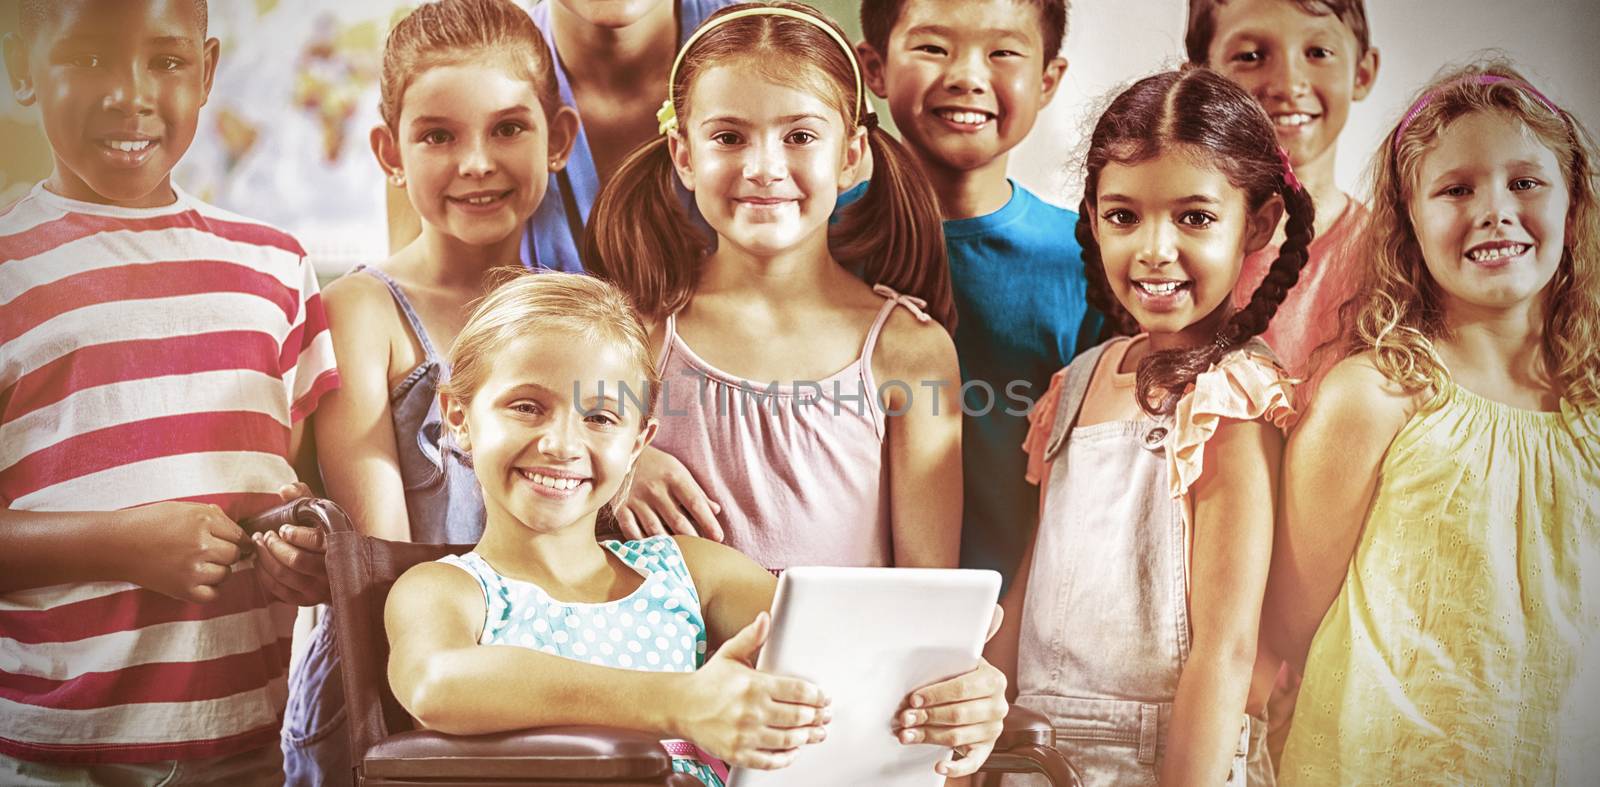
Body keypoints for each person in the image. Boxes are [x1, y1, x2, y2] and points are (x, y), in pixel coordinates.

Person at [386, 271, 1011, 786]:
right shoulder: (443, 591)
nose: (561, 443)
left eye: (601, 416)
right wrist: (679, 701)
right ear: (458, 417)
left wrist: (955, 691)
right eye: (526, 405)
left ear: (640, 443)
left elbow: (854, 652)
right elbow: (436, 683)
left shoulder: (687, 570)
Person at [0, 1, 338, 782]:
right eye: (87, 60)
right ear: (21, 69)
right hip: (51, 752)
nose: (131, 94)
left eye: (167, 61)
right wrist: (121, 542)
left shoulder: (277, 269)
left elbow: (293, 492)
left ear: (208, 69)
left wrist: (303, 553)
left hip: (247, 745)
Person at [1269, 61, 1600, 785]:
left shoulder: (1592, 412)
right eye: (1456, 188)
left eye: (1525, 182)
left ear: (1573, 204)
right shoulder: (1374, 395)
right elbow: (1294, 618)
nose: (1495, 211)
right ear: (1408, 219)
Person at [989, 66, 1314, 785]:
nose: (1154, 249)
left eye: (1194, 217)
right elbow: (1035, 576)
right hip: (1036, 750)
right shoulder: (1077, 381)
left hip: (1168, 756)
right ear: (1093, 217)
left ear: (1255, 224)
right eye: (1124, 215)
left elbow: (1227, 646)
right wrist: (976, 723)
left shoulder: (1233, 394)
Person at [285, 0, 581, 782]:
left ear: (562, 140)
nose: (476, 162)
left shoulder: (581, 316)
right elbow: (381, 560)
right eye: (437, 135)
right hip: (390, 693)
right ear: (390, 150)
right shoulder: (363, 311)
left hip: (544, 677)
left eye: (509, 128)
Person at [584, 2, 963, 571]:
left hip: (843, 662)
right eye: (730, 137)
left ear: (850, 156)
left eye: (801, 135)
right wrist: (618, 469)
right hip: (668, 665)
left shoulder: (909, 350)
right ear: (684, 156)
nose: (764, 167)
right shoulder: (633, 334)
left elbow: (928, 589)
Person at [853, 0, 1098, 588]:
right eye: (933, 47)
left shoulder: (1090, 259)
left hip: (1026, 619)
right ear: (875, 68)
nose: (966, 75)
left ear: (1047, 81)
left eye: (1003, 52)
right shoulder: (811, 245)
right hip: (833, 611)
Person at [1186, 0, 1378, 377]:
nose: (1289, 85)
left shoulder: (1395, 255)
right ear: (1199, 79)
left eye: (1318, 52)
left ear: (1363, 72)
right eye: (1251, 55)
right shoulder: (1157, 252)